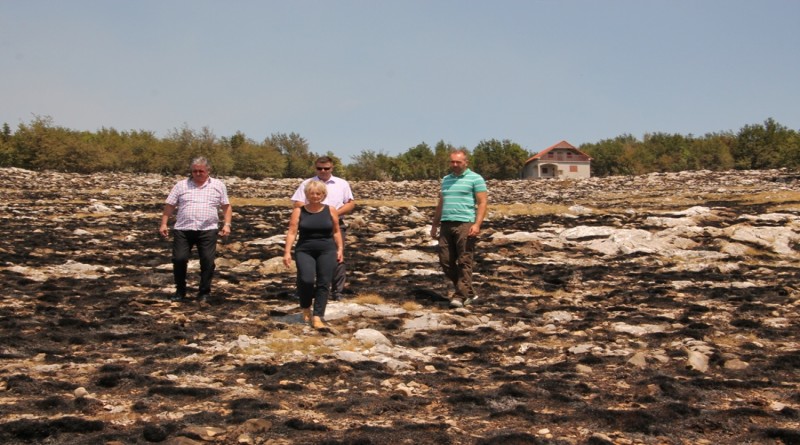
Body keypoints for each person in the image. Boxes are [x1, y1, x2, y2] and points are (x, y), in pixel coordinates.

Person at [159, 157, 232, 302]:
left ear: (208, 171)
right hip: (183, 229)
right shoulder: (181, 185)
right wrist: (163, 223)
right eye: (194, 171)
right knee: (179, 259)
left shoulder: (218, 185)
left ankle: (204, 292)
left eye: (201, 171)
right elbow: (170, 205)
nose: (198, 173)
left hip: (208, 229)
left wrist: (227, 224)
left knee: (207, 261)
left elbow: (226, 206)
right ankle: (180, 291)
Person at [290, 156, 355, 301]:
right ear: (315, 168)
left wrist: (332, 215)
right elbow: (298, 203)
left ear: (332, 168)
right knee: (306, 258)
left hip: (335, 225)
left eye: (326, 168)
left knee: (338, 258)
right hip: (310, 228)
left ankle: (337, 292)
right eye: (320, 168)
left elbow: (350, 203)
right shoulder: (307, 183)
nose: (323, 171)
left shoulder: (342, 184)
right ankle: (303, 290)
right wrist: (313, 215)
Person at [430, 149, 488, 308]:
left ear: (466, 162)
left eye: (458, 162)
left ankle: (461, 296)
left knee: (464, 260)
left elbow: (482, 202)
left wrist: (477, 224)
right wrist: (435, 224)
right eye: (452, 162)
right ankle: (468, 291)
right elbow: (441, 203)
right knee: (445, 260)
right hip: (446, 223)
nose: (455, 165)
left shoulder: (476, 179)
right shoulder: (446, 180)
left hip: (465, 224)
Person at [284, 180, 344, 329]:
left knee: (324, 282)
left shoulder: (330, 210)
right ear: (307, 194)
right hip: (305, 249)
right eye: (312, 193)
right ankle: (305, 306)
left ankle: (318, 316)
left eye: (318, 193)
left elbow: (336, 231)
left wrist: (340, 249)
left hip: (327, 250)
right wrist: (287, 252)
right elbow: (292, 232)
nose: (315, 196)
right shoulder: (299, 211)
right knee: (306, 280)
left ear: (323, 195)